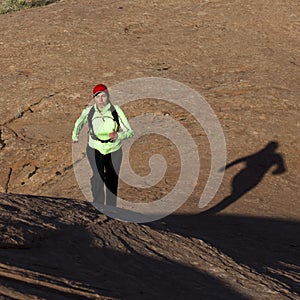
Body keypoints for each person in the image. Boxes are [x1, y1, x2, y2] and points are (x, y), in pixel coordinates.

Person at [72, 84, 134, 207]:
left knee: (112, 177)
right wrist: (75, 136)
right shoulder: (89, 111)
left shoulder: (116, 111)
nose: (101, 99)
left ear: (108, 97)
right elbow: (79, 122)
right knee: (97, 175)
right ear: (93, 98)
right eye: (97, 96)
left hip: (114, 149)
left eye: (103, 96)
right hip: (95, 148)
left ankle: (111, 207)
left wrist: (118, 136)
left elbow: (130, 132)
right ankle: (99, 204)